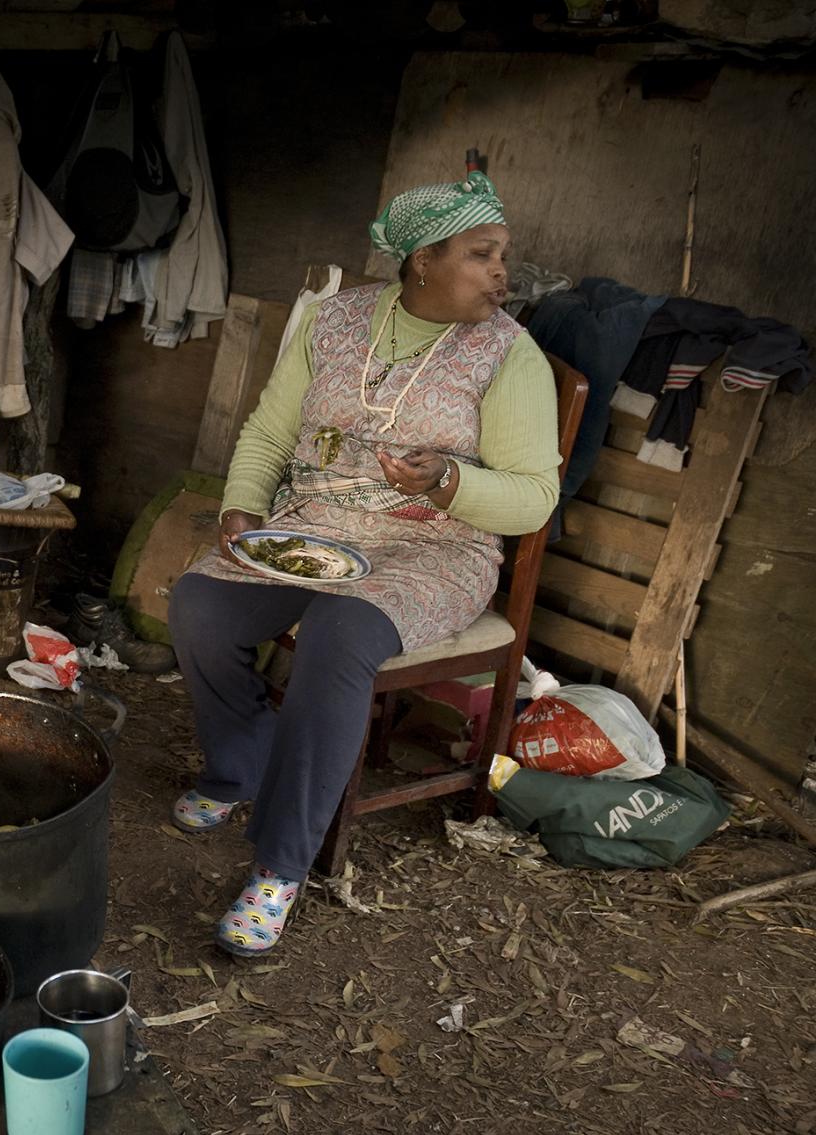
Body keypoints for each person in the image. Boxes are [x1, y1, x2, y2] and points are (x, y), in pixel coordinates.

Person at [167, 172, 560, 957]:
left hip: (436, 547)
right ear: (422, 260)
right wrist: (242, 505)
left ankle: (280, 866)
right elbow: (269, 432)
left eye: (502, 256)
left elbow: (535, 497)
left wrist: (447, 482)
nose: (501, 274)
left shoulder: (509, 353)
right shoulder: (337, 320)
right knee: (199, 604)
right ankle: (241, 766)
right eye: (481, 255)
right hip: (314, 527)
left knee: (340, 634)